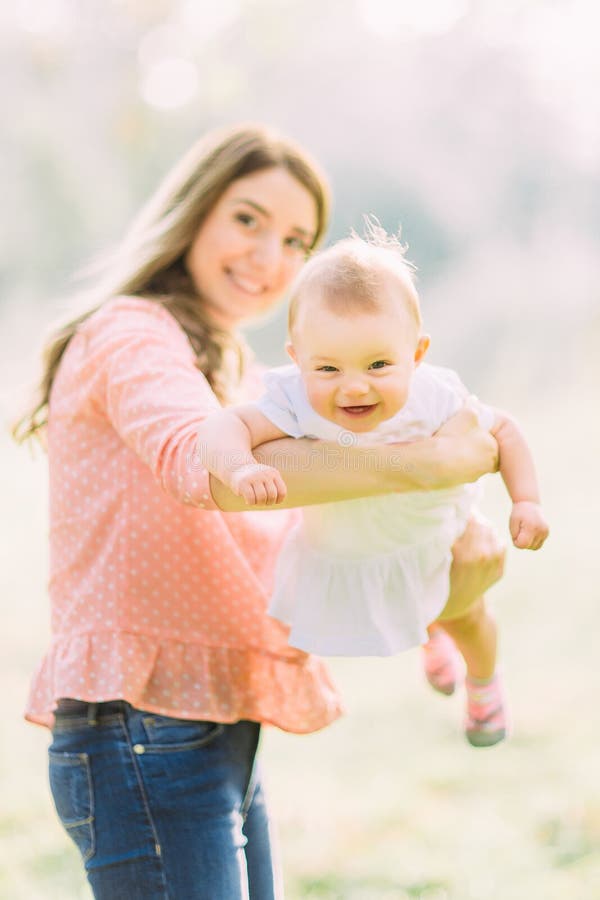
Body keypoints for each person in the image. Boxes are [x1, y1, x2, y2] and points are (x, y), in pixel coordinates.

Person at [14, 124, 501, 899]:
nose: (269, 257)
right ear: (195, 210)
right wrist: (426, 463)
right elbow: (200, 468)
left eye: (296, 240)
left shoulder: (235, 375)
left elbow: (292, 559)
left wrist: (443, 586)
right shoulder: (131, 332)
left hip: (208, 726)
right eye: (248, 219)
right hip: (143, 729)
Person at [195, 224, 549, 749]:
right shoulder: (293, 398)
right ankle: (430, 635)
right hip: (348, 550)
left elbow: (503, 430)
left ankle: (483, 685)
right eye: (329, 368)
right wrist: (240, 468)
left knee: (467, 618)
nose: (354, 385)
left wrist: (527, 500)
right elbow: (224, 428)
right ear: (297, 359)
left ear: (418, 353)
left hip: (435, 544)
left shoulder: (433, 394)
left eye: (379, 365)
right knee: (402, 619)